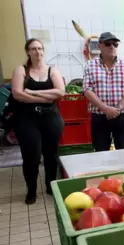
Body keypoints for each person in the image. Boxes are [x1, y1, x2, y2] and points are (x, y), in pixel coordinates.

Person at [11, 38, 65, 204]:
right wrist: (46, 97)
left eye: (40, 48)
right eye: (33, 49)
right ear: (28, 51)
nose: (38, 52)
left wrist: (34, 94)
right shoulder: (21, 69)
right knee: (31, 156)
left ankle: (50, 186)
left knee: (51, 154)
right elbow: (17, 94)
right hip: (27, 119)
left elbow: (61, 92)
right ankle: (32, 191)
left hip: (51, 118)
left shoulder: (52, 70)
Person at [83, 32, 124, 152]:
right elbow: (87, 90)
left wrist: (117, 109)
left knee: (123, 150)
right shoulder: (90, 65)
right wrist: (106, 109)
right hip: (99, 117)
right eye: (108, 44)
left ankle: (123, 171)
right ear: (99, 46)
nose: (112, 47)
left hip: (121, 116)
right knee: (101, 151)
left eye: (115, 44)